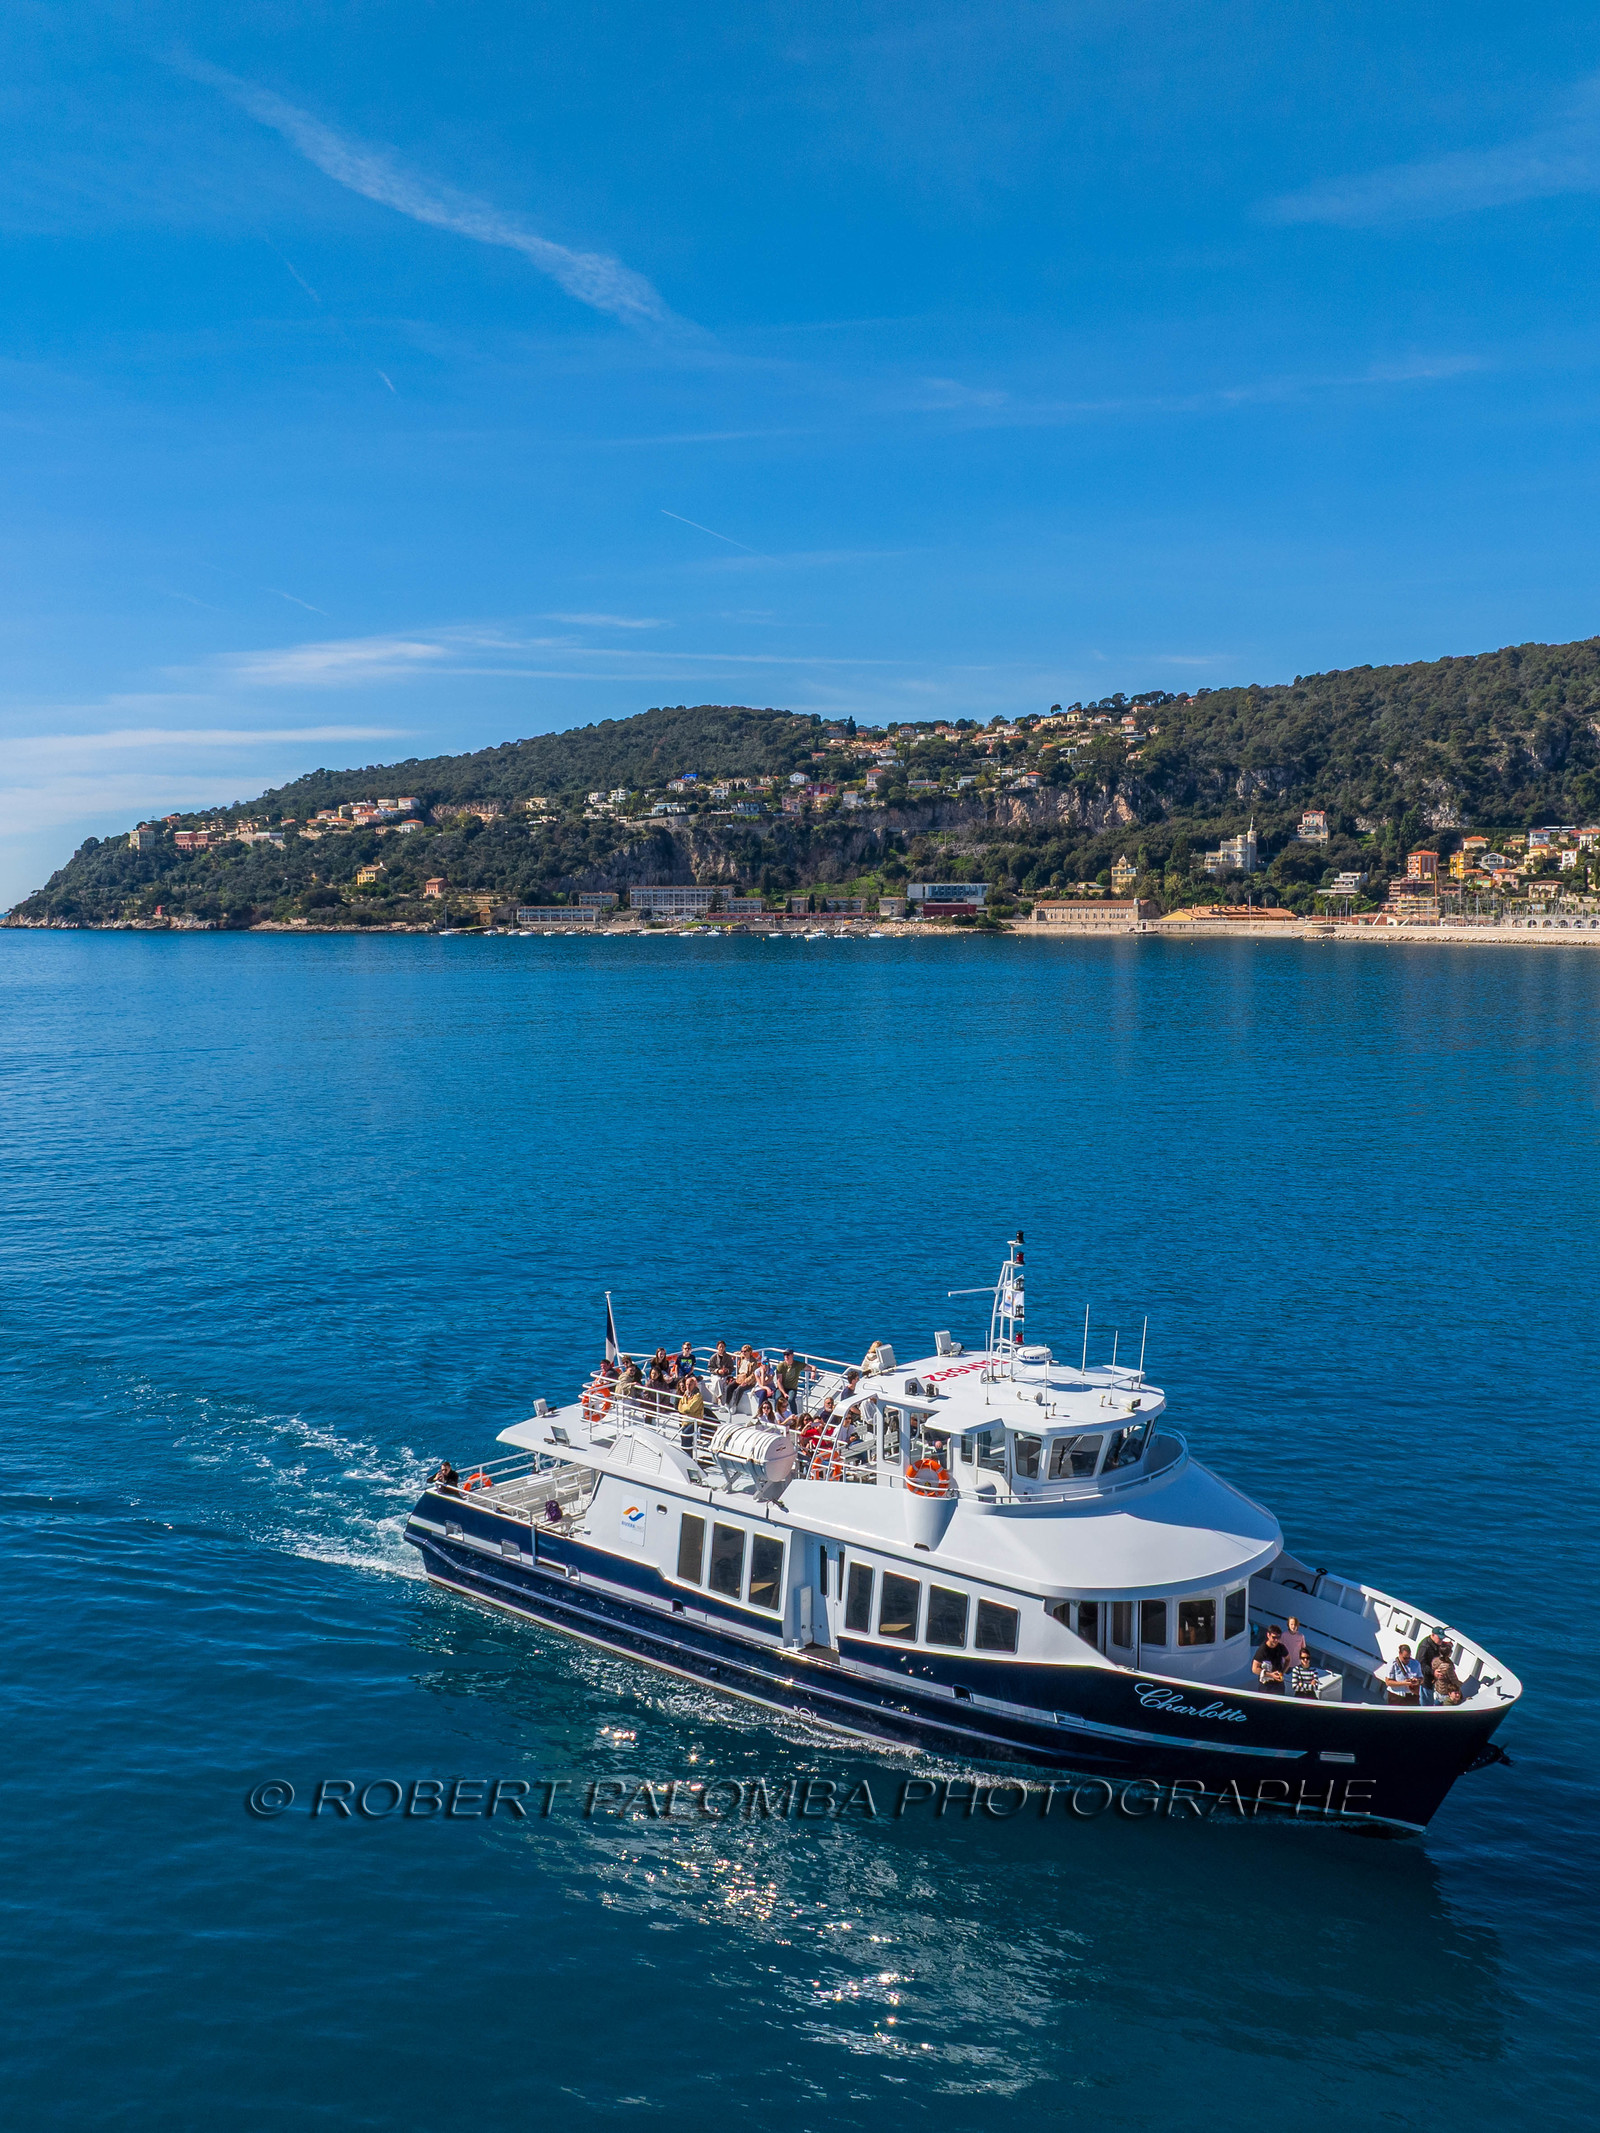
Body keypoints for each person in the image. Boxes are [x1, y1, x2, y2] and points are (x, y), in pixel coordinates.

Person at [1415, 1626, 1452, 1706]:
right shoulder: (1424, 1647)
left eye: (1442, 1639)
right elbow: (1420, 1665)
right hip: (1426, 1679)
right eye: (1439, 1638)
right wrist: (1433, 1672)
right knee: (1426, 1701)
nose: (1441, 1640)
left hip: (1435, 1678)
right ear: (1432, 1635)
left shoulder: (1437, 1643)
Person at [1252, 1626, 1289, 1692]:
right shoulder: (1263, 1650)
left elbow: (1288, 1659)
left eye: (1278, 1637)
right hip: (1266, 1685)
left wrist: (1283, 1672)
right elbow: (1254, 1669)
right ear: (1268, 1635)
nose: (1276, 1640)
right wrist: (1271, 1675)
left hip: (1279, 1684)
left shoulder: (1281, 1647)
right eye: (1274, 1637)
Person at [676, 1373, 705, 1451]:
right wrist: (685, 1408)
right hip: (686, 1421)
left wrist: (685, 1408)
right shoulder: (685, 1395)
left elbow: (691, 1409)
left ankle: (689, 1456)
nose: (688, 1386)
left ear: (694, 1385)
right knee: (683, 1437)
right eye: (687, 1384)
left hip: (694, 1421)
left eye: (690, 1384)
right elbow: (679, 1407)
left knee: (686, 1437)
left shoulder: (697, 1396)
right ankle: (686, 1455)